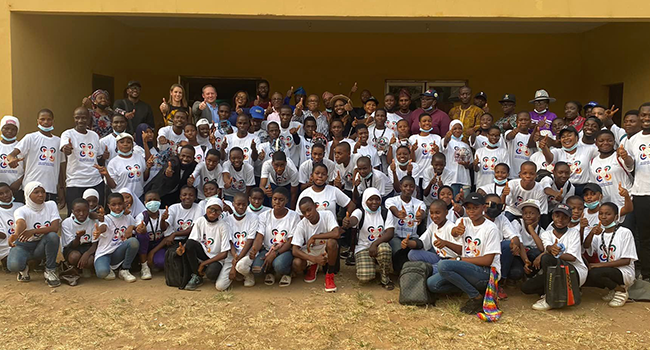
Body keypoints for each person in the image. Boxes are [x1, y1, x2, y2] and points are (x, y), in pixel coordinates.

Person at [428, 192, 501, 314]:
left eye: (475, 208)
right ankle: (467, 288)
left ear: (484, 208)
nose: (471, 211)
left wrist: (459, 260)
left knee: (444, 265)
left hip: (485, 272)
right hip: (468, 269)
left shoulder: (491, 228)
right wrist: (453, 234)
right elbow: (461, 245)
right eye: (468, 208)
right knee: (432, 284)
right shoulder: (463, 221)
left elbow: (487, 260)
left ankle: (475, 297)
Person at [521, 203, 587, 311]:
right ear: (552, 217)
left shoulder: (574, 233)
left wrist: (557, 253)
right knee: (526, 288)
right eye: (557, 216)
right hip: (557, 271)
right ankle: (562, 290)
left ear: (569, 219)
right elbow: (547, 247)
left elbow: (572, 257)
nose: (560, 219)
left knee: (547, 259)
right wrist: (551, 250)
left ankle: (550, 297)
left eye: (564, 217)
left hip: (575, 271)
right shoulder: (546, 234)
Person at [237, 187, 299, 287]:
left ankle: (287, 273)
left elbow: (291, 241)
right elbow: (259, 237)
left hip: (284, 250)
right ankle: (270, 272)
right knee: (257, 269)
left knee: (279, 265)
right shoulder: (264, 216)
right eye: (275, 199)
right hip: (267, 249)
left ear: (286, 200)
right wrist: (254, 250)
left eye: (281, 200)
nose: (277, 202)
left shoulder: (293, 216)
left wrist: (275, 253)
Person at [6, 181, 61, 287]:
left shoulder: (51, 205)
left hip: (41, 244)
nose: (41, 195)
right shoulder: (21, 210)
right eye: (36, 192)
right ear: (28, 194)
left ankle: (50, 271)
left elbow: (54, 228)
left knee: (53, 237)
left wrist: (33, 231)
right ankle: (23, 269)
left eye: (43, 192)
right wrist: (16, 234)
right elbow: (21, 222)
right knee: (13, 266)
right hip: (24, 244)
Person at [583, 202, 638, 307]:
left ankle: (621, 291)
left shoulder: (625, 232)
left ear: (616, 216)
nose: (603, 217)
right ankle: (614, 288)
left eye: (608, 214)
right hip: (606, 270)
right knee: (588, 272)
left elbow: (626, 260)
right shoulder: (599, 234)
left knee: (595, 272)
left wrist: (599, 265)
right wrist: (591, 233)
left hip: (624, 272)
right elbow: (586, 246)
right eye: (601, 214)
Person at [6, 109, 64, 206]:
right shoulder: (30, 138)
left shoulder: (58, 141)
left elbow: (60, 168)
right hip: (31, 187)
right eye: (42, 119)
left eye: (49, 119)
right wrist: (12, 159)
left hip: (50, 188)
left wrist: (61, 189)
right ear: (37, 121)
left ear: (53, 121)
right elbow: (11, 154)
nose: (45, 122)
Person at [343, 188, 395, 289]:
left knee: (385, 249)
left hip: (379, 245)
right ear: (365, 200)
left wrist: (374, 244)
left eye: (377, 199)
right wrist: (348, 222)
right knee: (365, 277)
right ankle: (372, 263)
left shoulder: (385, 212)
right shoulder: (360, 211)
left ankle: (385, 276)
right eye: (370, 199)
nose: (374, 202)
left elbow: (390, 233)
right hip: (363, 247)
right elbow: (354, 220)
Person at [178, 197, 231, 291]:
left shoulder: (223, 226)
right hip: (203, 253)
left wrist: (204, 264)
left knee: (211, 272)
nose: (214, 213)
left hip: (216, 258)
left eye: (218, 211)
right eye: (212, 209)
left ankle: (209, 272)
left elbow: (224, 253)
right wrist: (183, 248)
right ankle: (196, 275)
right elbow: (192, 240)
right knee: (189, 244)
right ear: (206, 208)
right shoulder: (200, 221)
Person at [60, 107, 104, 216]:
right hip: (76, 181)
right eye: (77, 118)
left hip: (95, 181)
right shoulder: (68, 134)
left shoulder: (94, 135)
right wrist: (67, 149)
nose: (80, 121)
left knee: (97, 214)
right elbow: (65, 149)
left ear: (89, 119)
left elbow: (99, 156)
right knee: (75, 215)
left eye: (84, 118)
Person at [291, 197, 341, 292]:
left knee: (332, 242)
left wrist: (315, 237)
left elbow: (336, 233)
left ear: (315, 206)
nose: (307, 214)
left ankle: (329, 276)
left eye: (309, 210)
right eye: (304, 212)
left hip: (325, 249)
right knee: (296, 263)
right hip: (311, 251)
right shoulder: (301, 225)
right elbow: (295, 250)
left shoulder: (327, 215)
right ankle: (313, 265)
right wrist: (314, 259)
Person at [92, 192, 139, 282]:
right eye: (113, 205)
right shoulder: (106, 218)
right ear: (109, 206)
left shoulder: (128, 218)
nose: (117, 207)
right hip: (105, 253)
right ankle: (108, 267)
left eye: (120, 204)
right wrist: (99, 231)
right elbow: (104, 226)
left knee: (133, 242)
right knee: (102, 273)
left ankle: (124, 270)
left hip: (118, 252)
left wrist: (132, 227)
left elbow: (137, 226)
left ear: (124, 204)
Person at [540, 125, 599, 196]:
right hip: (565, 188)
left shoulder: (588, 150)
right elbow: (550, 159)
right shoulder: (557, 152)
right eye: (563, 137)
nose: (566, 138)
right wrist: (544, 148)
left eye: (569, 135)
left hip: (582, 188)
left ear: (577, 138)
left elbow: (604, 153)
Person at [406, 199, 461, 273]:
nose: (434, 216)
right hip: (438, 257)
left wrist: (445, 243)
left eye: (437, 213)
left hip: (451, 261)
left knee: (430, 272)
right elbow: (422, 242)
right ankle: (430, 268)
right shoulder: (433, 225)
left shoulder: (451, 227)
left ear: (446, 213)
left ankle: (430, 269)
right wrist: (408, 243)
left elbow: (461, 250)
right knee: (412, 254)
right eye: (431, 213)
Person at [627, 102, 650, 280]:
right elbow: (630, 166)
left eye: (649, 115)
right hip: (641, 193)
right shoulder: (633, 140)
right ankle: (647, 274)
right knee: (644, 236)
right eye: (643, 115)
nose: (646, 118)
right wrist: (626, 157)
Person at [385, 176, 426, 272]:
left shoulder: (419, 203)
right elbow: (393, 210)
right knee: (399, 252)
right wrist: (399, 213)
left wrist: (420, 215)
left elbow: (422, 213)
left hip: (412, 237)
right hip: (396, 236)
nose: (408, 189)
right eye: (405, 186)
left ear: (415, 188)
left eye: (411, 186)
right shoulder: (391, 200)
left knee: (414, 253)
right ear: (400, 187)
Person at [219, 193, 258, 291]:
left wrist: (235, 264)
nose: (241, 207)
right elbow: (230, 242)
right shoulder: (227, 220)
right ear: (233, 204)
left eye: (244, 204)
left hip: (247, 253)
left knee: (240, 266)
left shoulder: (253, 218)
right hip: (233, 254)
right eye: (238, 204)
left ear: (247, 204)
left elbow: (249, 241)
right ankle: (239, 274)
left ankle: (248, 275)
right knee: (220, 287)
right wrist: (234, 256)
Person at [97, 133, 150, 199]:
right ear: (117, 145)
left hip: (139, 196)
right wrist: (106, 175)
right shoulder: (113, 163)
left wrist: (148, 168)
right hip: (121, 199)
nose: (125, 144)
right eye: (122, 142)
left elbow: (145, 178)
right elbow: (113, 186)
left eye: (128, 142)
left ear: (132, 145)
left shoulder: (139, 158)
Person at [591, 130, 633, 212]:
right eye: (601, 141)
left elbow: (630, 164)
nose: (606, 143)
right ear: (596, 143)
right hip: (606, 208)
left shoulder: (619, 156)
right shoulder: (592, 162)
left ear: (614, 142)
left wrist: (626, 157)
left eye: (609, 140)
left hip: (625, 203)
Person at [59, 198, 97, 286]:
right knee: (74, 256)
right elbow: (72, 245)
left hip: (88, 247)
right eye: (78, 211)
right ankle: (74, 268)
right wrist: (78, 237)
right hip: (72, 247)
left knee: (90, 260)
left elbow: (95, 243)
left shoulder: (93, 222)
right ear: (72, 211)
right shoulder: (67, 223)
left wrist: (87, 254)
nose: (81, 214)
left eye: (85, 211)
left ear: (89, 211)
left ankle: (84, 267)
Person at [134, 191, 169, 279]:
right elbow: (139, 227)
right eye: (149, 200)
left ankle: (152, 262)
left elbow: (166, 235)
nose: (152, 202)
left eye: (155, 200)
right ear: (145, 203)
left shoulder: (165, 214)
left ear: (160, 201)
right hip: (145, 244)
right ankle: (144, 266)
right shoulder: (141, 216)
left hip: (158, 244)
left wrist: (152, 253)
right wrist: (141, 229)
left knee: (161, 262)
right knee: (142, 235)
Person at [442, 120, 472, 196]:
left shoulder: (466, 145)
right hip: (452, 179)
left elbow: (470, 163)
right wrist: (447, 137)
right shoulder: (447, 142)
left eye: (460, 128)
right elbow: (444, 145)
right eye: (454, 129)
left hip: (465, 179)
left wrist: (466, 165)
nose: (458, 130)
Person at [409, 113, 442, 179]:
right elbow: (412, 160)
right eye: (424, 121)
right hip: (418, 174)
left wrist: (437, 151)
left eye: (429, 121)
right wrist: (412, 150)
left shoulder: (437, 138)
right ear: (419, 124)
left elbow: (440, 158)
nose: (427, 123)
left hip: (432, 174)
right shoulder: (412, 138)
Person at [505, 111, 536, 179]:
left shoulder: (532, 138)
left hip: (526, 177)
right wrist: (516, 130)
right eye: (521, 120)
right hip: (512, 175)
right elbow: (509, 137)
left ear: (530, 122)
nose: (523, 122)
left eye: (526, 120)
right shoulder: (510, 132)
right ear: (516, 122)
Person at [0, 182, 23, 270]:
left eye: (7, 192)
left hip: (22, 242)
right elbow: (3, 235)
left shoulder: (20, 206)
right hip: (5, 245)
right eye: (1, 194)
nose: (5, 195)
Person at [0, 116, 24, 199]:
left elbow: (30, 167)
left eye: (13, 129)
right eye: (6, 128)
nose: (9, 131)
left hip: (17, 188)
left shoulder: (22, 146)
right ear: (1, 129)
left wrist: (20, 181)